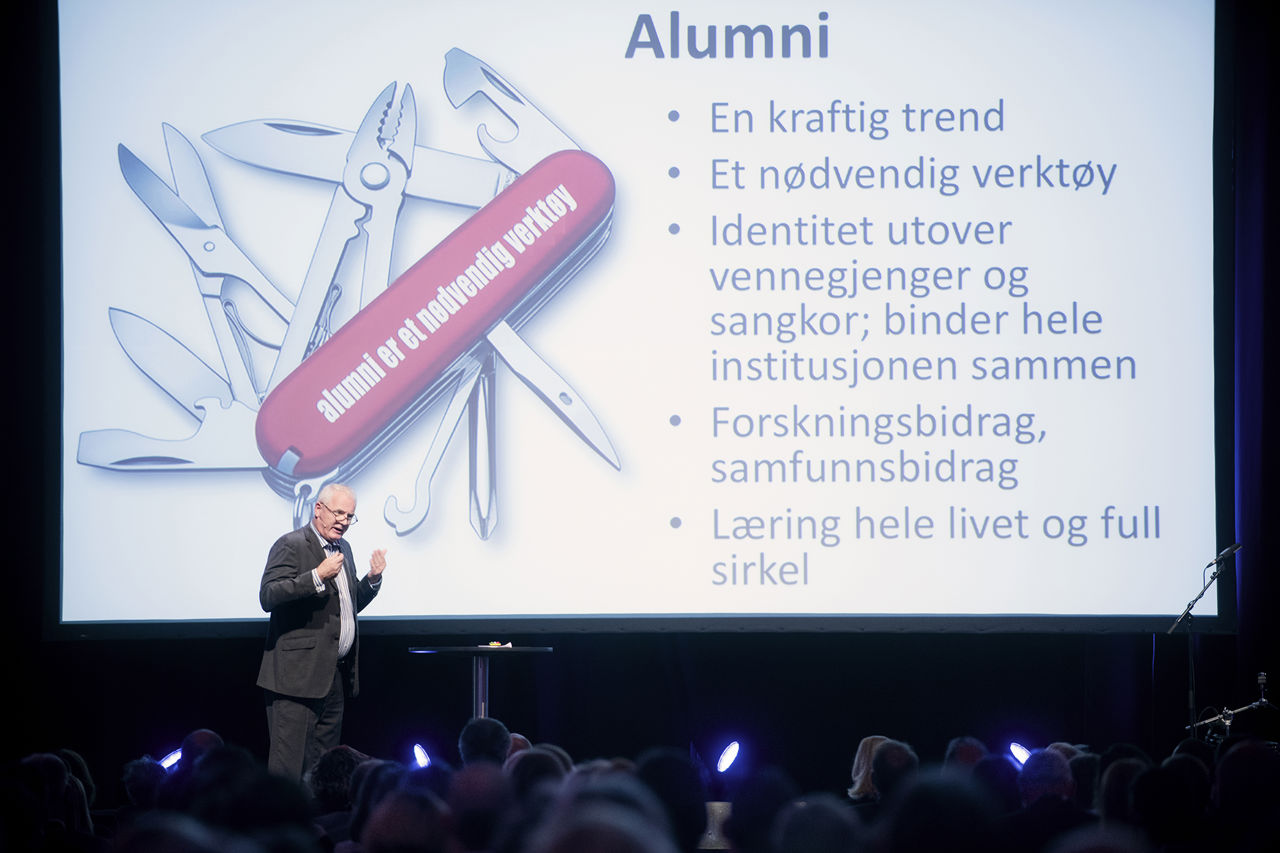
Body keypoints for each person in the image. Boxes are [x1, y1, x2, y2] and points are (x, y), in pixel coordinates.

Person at [257, 483, 387, 780]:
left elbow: (345, 605)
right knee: (288, 768)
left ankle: (320, 824)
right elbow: (268, 596)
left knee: (324, 769)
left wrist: (372, 579)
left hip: (333, 676)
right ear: (318, 509)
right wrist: (316, 576)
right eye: (338, 512)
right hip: (295, 678)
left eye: (350, 516)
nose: (344, 520)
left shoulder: (345, 549)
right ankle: (285, 826)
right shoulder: (292, 544)